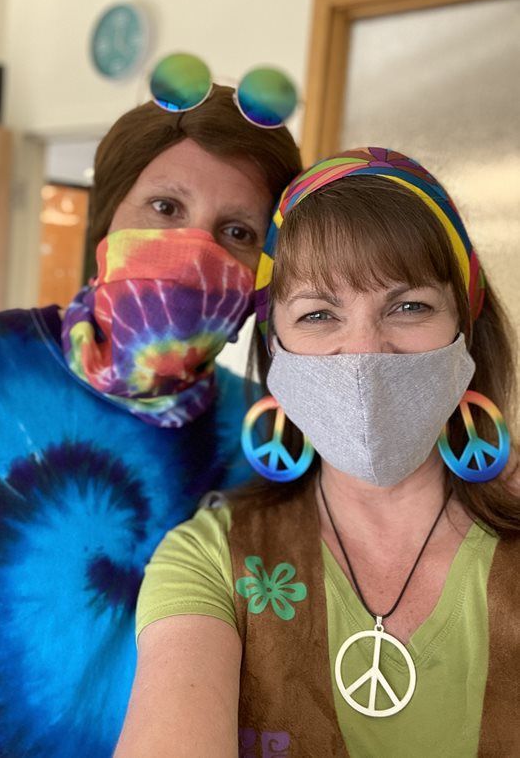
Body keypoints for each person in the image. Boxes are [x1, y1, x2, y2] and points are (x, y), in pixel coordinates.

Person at [0, 85, 301, 757]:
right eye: (166, 207)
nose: (193, 250)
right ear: (106, 224)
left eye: (236, 232)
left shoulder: (271, 440)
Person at [117, 147, 520, 758]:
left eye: (409, 306)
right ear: (274, 349)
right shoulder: (211, 560)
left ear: (465, 325)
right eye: (319, 313)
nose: (365, 353)